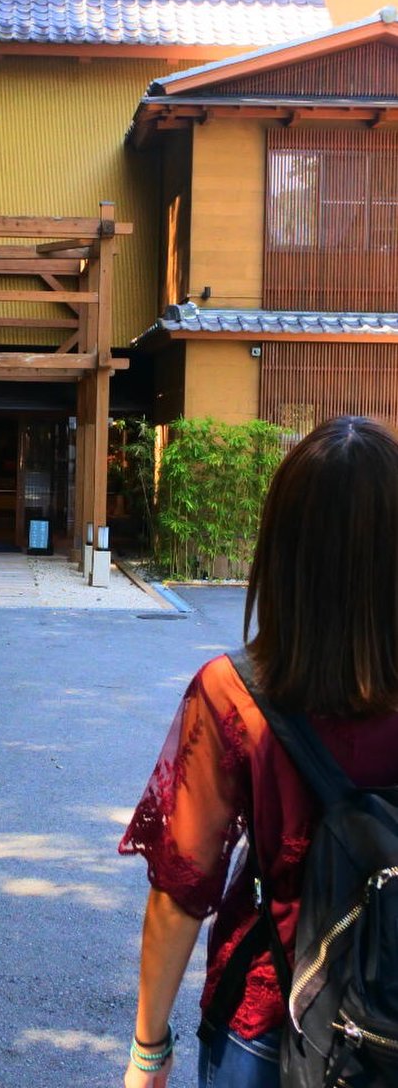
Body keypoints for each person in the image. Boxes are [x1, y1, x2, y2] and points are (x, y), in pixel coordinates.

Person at [118, 415, 398, 1087]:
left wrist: (148, 1050)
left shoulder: (234, 695)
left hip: (273, 1026)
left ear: (285, 547)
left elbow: (182, 890)